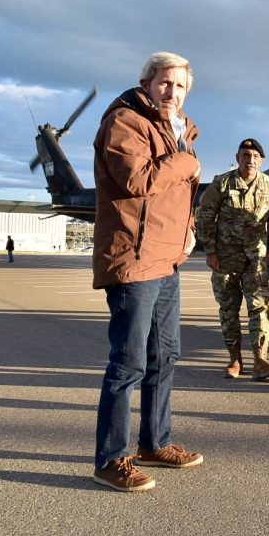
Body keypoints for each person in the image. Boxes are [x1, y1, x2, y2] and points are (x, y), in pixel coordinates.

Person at [91, 51, 204, 493]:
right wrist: (187, 162)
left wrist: (189, 229)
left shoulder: (178, 129)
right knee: (128, 363)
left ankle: (155, 442)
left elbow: (175, 196)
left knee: (165, 356)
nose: (172, 92)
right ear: (147, 83)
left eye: (180, 86)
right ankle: (110, 459)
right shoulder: (125, 121)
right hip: (134, 259)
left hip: (167, 259)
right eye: (165, 82)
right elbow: (137, 180)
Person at [196, 138, 269, 380]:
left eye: (255, 156)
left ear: (261, 161)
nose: (250, 160)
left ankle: (260, 360)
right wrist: (210, 251)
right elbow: (204, 215)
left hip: (256, 259)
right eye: (245, 155)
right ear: (237, 158)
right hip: (226, 259)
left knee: (259, 307)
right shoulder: (222, 183)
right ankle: (235, 360)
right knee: (228, 309)